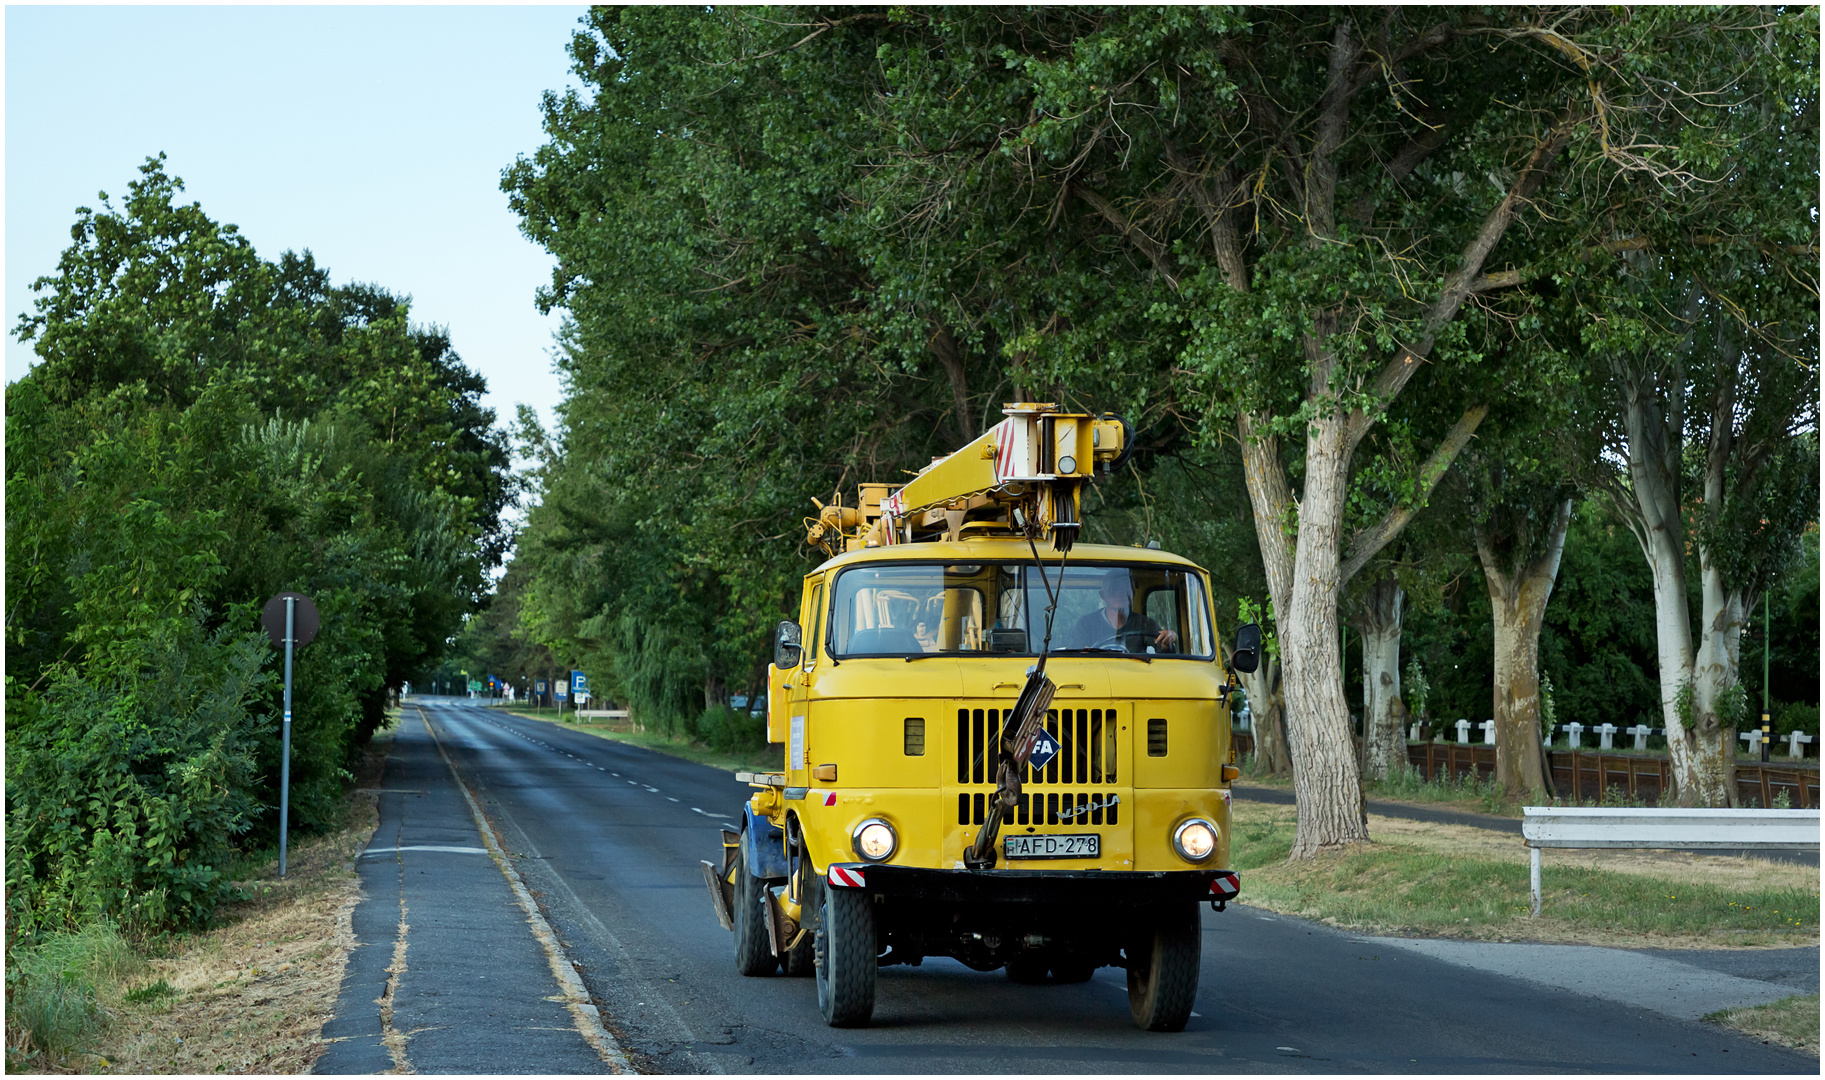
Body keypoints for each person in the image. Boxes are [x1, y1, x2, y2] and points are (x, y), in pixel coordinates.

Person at [1064, 569, 1178, 652]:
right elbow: (1074, 659)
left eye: (1124, 589)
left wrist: (1169, 639)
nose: (1119, 593)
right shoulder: (1086, 624)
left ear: (1132, 594)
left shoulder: (1145, 623)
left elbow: (1163, 654)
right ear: (1103, 595)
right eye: (1113, 589)